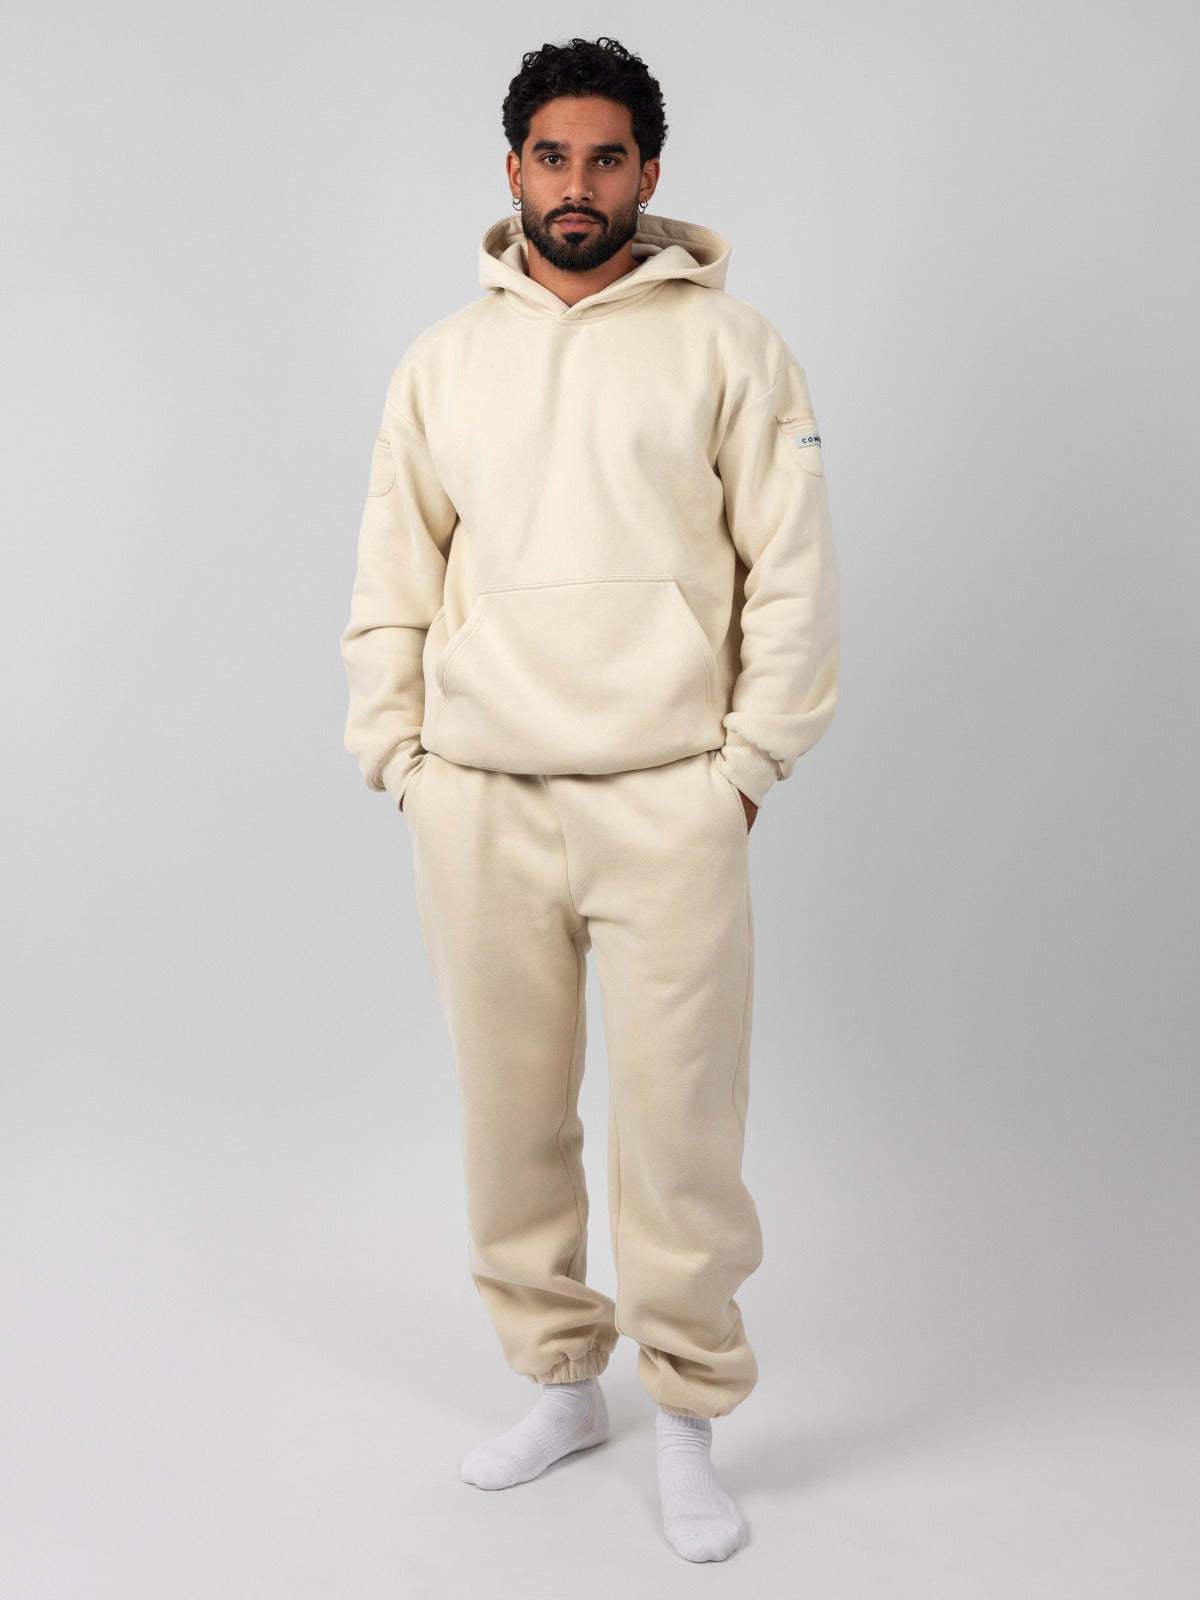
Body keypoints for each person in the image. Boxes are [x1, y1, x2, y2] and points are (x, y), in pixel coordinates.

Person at [339, 35, 840, 1563]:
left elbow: (793, 571)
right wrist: (402, 760)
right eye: (552, 157)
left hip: (668, 800)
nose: (578, 184)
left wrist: (745, 767)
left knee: (680, 1132)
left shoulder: (731, 347)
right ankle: (562, 1386)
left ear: (649, 172)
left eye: (606, 158)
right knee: (511, 1121)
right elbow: (394, 570)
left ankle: (684, 1420)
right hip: (481, 801)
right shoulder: (443, 361)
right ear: (513, 170)